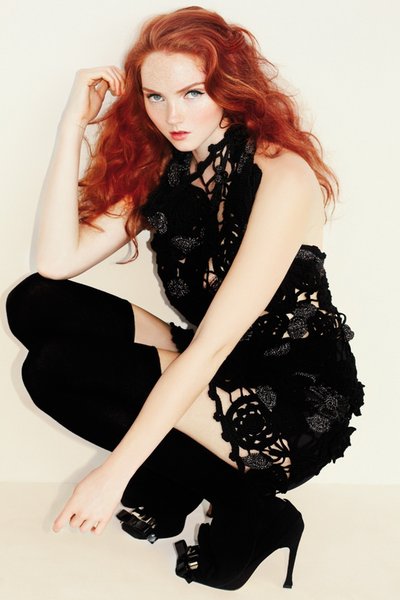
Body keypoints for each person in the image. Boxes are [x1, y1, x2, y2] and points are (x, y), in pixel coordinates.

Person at [5, 5, 365, 591]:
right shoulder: (166, 171)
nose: (172, 115)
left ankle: (250, 507)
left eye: (192, 93)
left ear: (230, 90)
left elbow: (214, 344)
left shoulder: (281, 176)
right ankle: (185, 486)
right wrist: (73, 122)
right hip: (218, 360)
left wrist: (113, 475)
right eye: (155, 97)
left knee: (52, 370)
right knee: (34, 302)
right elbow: (56, 263)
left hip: (288, 399)